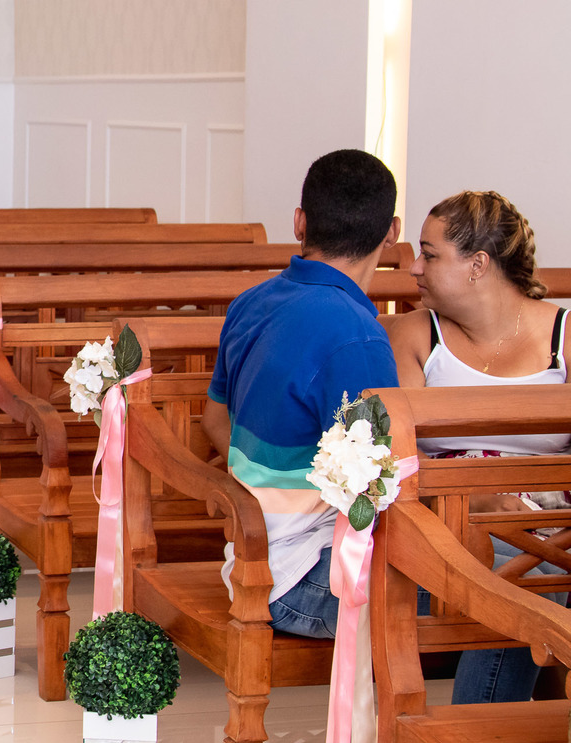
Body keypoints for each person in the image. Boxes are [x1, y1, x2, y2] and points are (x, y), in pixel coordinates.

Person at [201, 148, 401, 638]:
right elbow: (382, 483)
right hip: (302, 577)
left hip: (252, 557)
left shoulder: (251, 303)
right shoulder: (356, 335)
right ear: (392, 232)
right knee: (513, 583)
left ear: (299, 222)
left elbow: (213, 419)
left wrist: (259, 493)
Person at [390, 190, 571, 704]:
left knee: (542, 566)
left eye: (429, 254)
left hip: (550, 516)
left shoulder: (564, 336)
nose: (414, 268)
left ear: (478, 265)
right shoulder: (414, 335)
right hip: (445, 517)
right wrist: (481, 498)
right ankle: (486, 734)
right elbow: (395, 456)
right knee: (529, 578)